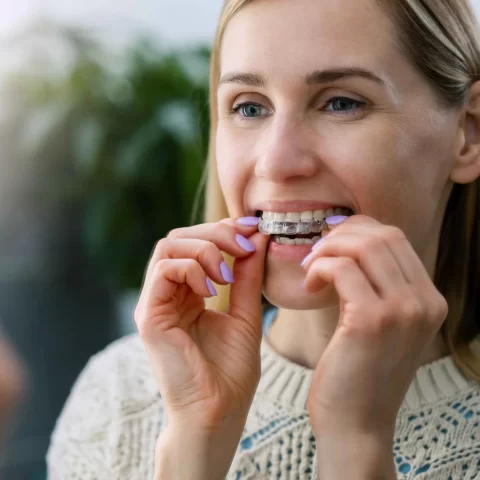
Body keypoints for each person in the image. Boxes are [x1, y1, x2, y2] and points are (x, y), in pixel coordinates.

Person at [47, 0, 480, 478]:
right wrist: (196, 441)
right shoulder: (116, 401)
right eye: (249, 107)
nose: (276, 162)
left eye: (342, 102)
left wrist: (356, 445)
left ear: (468, 132)